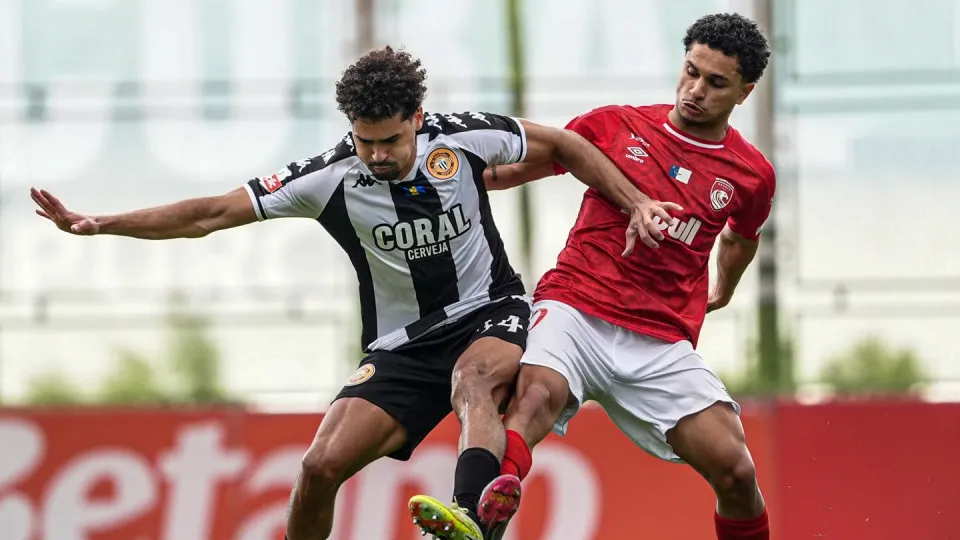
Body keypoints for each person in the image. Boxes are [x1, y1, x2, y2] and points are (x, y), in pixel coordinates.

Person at [30, 46, 674, 540]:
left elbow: (564, 144)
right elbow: (210, 214)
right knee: (318, 468)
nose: (378, 155)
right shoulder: (328, 176)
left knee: (474, 381)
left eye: (391, 140)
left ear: (417, 119)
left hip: (489, 311)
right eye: (366, 141)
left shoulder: (463, 137)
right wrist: (102, 223)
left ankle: (469, 520)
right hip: (400, 346)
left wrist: (637, 202)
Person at [411, 13, 776, 540]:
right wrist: (427, 182)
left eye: (716, 82)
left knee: (737, 471)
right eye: (691, 71)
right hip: (574, 309)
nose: (695, 90)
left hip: (659, 338)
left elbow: (741, 238)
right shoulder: (614, 126)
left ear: (745, 92)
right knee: (532, 400)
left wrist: (723, 288)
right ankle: (485, 515)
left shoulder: (752, 174)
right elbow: (506, 173)